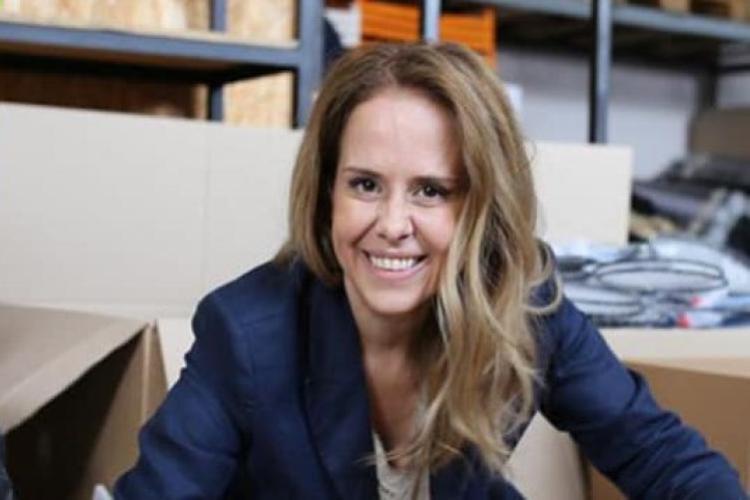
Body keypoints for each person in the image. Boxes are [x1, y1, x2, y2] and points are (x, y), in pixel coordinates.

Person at [114, 42, 747, 499]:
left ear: (483, 206)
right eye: (365, 184)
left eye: (431, 191)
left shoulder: (525, 305)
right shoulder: (248, 329)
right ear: (326, 192)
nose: (392, 224)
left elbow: (661, 456)